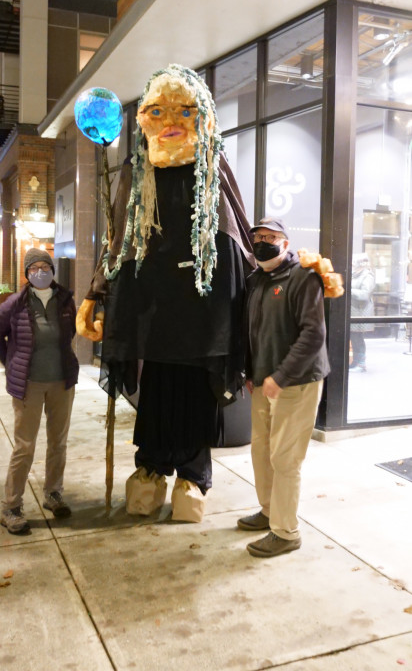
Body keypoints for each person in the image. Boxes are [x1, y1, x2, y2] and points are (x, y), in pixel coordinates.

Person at [77, 64, 255, 522]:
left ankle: (193, 477)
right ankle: (151, 472)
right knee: (156, 398)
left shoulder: (215, 170)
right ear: (143, 121)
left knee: (197, 397)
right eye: (157, 110)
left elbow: (239, 241)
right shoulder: (137, 174)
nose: (171, 119)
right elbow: (117, 241)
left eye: (185, 110)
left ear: (205, 116)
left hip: (203, 317)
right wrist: (96, 292)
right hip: (153, 314)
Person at [237, 217, 330, 557]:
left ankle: (286, 532)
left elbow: (313, 334)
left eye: (271, 236)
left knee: (285, 458)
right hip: (263, 382)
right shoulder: (255, 280)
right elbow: (252, 330)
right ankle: (268, 512)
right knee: (261, 451)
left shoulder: (303, 278)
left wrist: (281, 375)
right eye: (258, 236)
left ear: (286, 243)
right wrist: (250, 371)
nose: (263, 241)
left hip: (297, 382)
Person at [0, 248, 79, 534]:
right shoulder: (15, 303)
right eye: (34, 268)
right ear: (27, 274)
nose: (40, 272)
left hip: (61, 383)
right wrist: (12, 364)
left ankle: (53, 493)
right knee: (25, 446)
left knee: (58, 442)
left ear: (53, 270)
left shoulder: (65, 300)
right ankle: (11, 506)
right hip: (29, 385)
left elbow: (70, 334)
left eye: (45, 267)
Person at [350, 253, 375, 371]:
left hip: (361, 312)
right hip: (354, 311)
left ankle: (361, 363)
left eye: (353, 263)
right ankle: (355, 362)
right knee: (354, 338)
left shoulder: (367, 275)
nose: (351, 265)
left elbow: (364, 295)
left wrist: (348, 289)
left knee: (358, 338)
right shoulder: (354, 275)